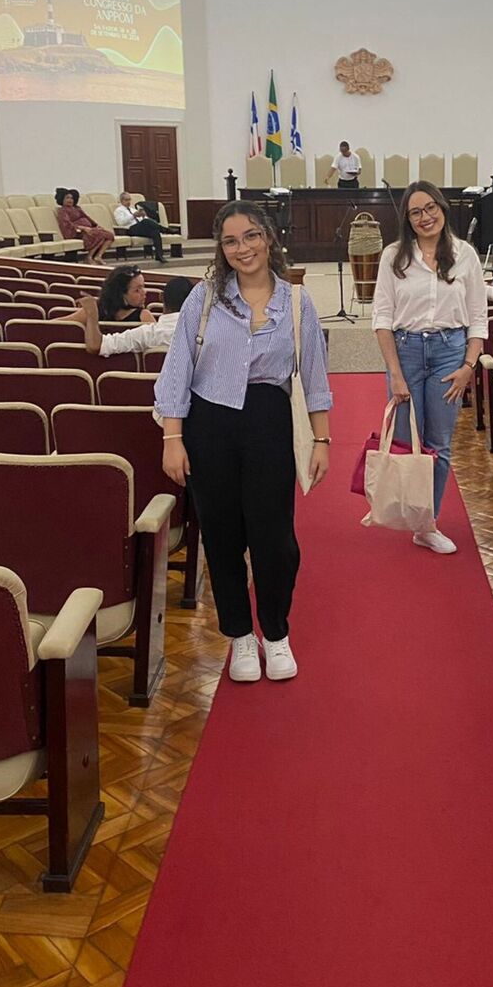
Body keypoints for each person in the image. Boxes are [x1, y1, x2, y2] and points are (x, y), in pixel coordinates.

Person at [155, 203, 332, 683]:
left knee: (275, 540)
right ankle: (240, 636)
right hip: (208, 422)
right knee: (223, 536)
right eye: (231, 241)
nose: (242, 249)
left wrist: (322, 439)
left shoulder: (296, 302)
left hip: (268, 420)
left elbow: (314, 374)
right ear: (221, 248)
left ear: (268, 238)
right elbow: (177, 371)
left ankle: (275, 632)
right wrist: (174, 438)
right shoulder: (204, 299)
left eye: (251, 236)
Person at [372, 181, 487, 554]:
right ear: (407, 218)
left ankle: (427, 523)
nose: (426, 217)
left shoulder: (465, 254)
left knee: (438, 443)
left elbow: (478, 318)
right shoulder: (394, 256)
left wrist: (470, 364)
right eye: (416, 211)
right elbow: (382, 318)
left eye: (431, 207)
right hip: (405, 351)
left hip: (449, 352)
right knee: (408, 442)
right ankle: (403, 511)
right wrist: (395, 373)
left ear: (443, 208)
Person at [78, 275, 194, 355]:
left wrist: (92, 313)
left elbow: (95, 345)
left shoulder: (146, 334)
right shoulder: (209, 333)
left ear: (161, 297)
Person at [61, 265, 155, 326]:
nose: (144, 292)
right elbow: (56, 325)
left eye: (143, 287)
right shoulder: (94, 311)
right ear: (121, 294)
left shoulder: (95, 310)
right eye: (137, 290)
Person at [55, 188, 114, 264]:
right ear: (62, 199)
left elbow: (87, 217)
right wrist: (83, 228)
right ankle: (89, 257)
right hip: (75, 231)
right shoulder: (62, 210)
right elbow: (66, 223)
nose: (70, 200)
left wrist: (96, 225)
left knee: (109, 235)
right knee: (98, 234)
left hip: (87, 229)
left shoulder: (77, 208)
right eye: (67, 198)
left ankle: (98, 256)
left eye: (72, 198)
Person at [113, 192, 169, 264]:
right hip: (130, 229)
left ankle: (159, 255)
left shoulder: (133, 209)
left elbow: (144, 220)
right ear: (121, 201)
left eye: (129, 200)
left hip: (140, 228)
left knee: (155, 232)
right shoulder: (118, 210)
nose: (128, 202)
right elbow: (121, 222)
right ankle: (165, 229)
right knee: (146, 221)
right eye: (126, 200)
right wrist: (133, 216)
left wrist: (143, 216)